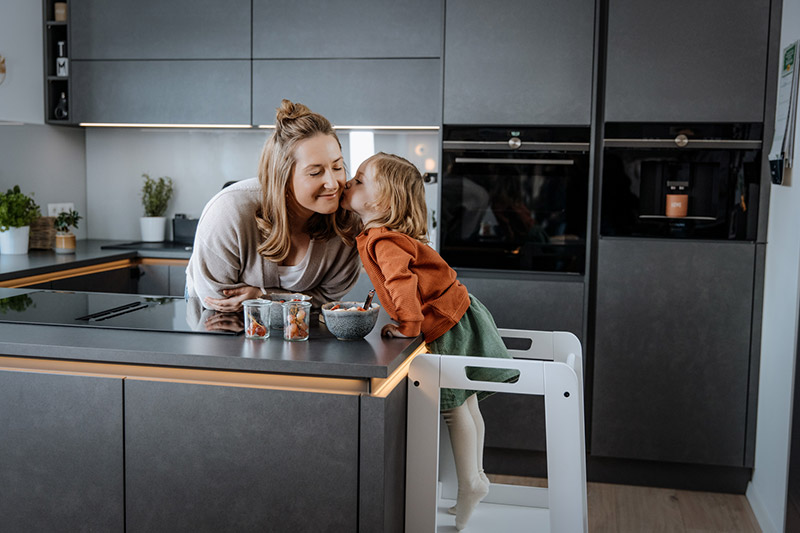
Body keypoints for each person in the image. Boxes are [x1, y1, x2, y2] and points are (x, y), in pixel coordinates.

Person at [341, 152, 519, 531]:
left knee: (454, 407)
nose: (347, 184)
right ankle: (478, 477)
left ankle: (471, 483)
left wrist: (407, 325)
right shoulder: (384, 235)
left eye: (358, 180)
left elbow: (401, 285)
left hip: (445, 325)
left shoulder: (384, 241)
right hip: (461, 314)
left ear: (382, 201)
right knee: (468, 404)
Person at [185, 100, 360, 311]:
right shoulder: (228, 211)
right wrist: (293, 302)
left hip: (299, 331)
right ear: (283, 178)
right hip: (214, 322)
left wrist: (263, 297)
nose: (333, 183)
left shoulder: (349, 223)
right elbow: (219, 301)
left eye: (338, 166)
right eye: (315, 172)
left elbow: (328, 302)